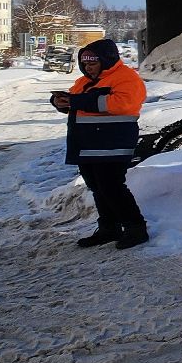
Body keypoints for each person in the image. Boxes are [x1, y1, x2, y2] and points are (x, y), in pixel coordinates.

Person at [50, 38, 149, 249]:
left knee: (111, 187)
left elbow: (122, 104)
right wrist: (60, 102)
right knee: (97, 188)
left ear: (106, 60)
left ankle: (136, 228)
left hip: (113, 143)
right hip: (88, 144)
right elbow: (75, 102)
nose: (88, 67)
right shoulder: (84, 81)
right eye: (85, 64)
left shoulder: (127, 78)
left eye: (92, 63)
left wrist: (76, 101)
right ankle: (109, 228)